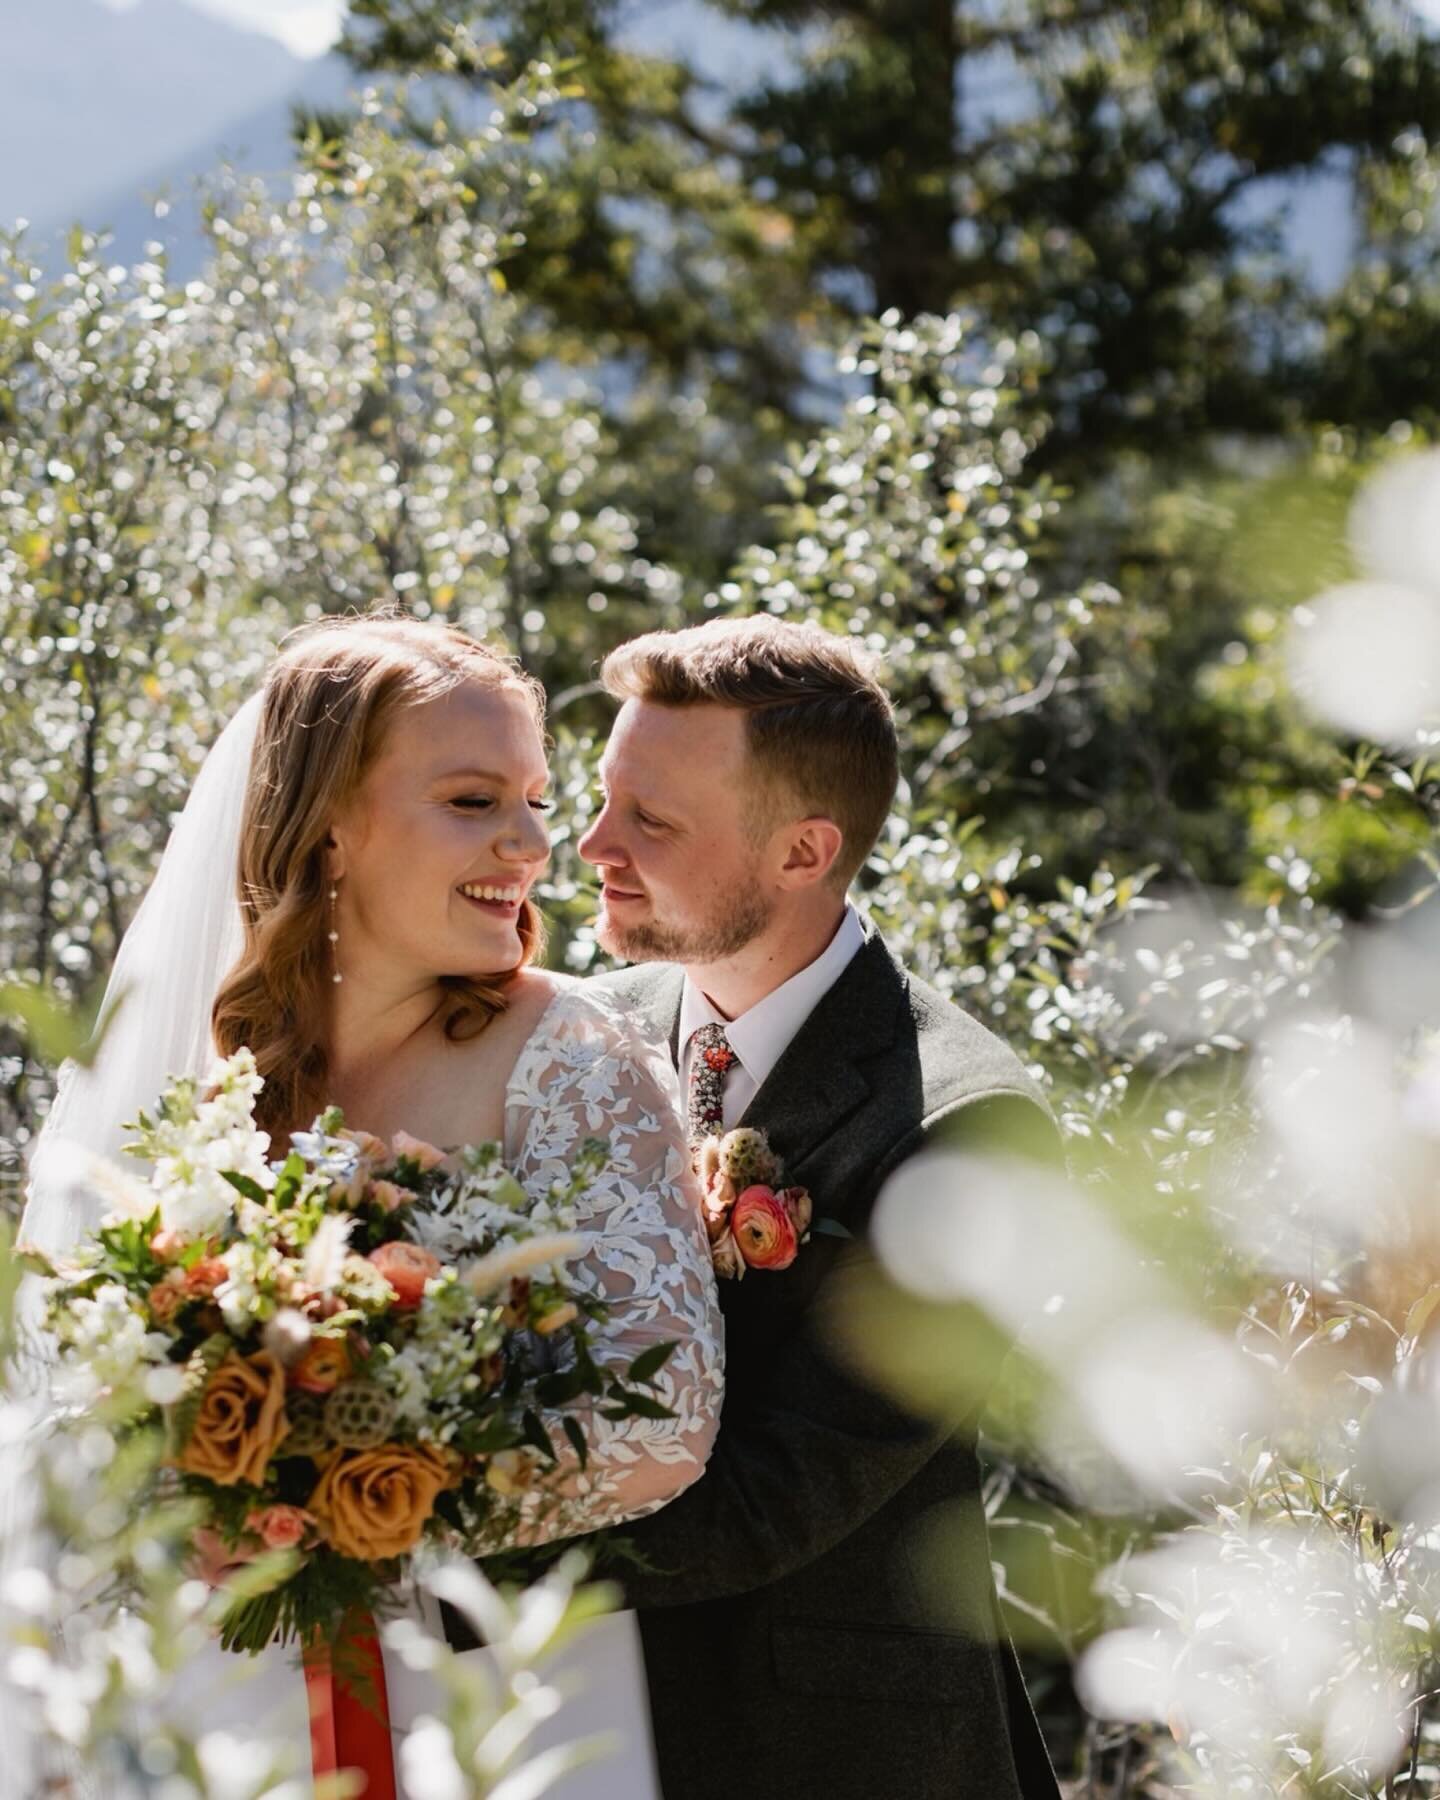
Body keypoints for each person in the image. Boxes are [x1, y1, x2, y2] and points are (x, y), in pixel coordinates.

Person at [16, 611, 724, 1799]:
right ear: (330, 826)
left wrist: (334, 1501)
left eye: (536, 800)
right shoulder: (206, 1083)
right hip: (221, 1691)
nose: (530, 844)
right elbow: (69, 1386)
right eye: (470, 801)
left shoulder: (572, 1058)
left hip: (483, 1697)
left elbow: (669, 1422)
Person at [569, 615, 1063, 1799]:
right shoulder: (579, 1030)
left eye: (653, 822)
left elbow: (777, 1496)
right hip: (577, 1715)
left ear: (803, 852)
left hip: (826, 1751)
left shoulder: (969, 1126)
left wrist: (442, 1544)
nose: (594, 845)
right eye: (603, 799)